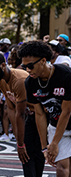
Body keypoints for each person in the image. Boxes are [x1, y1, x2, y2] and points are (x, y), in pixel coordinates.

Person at [0, 52, 45, 176]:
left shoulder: (19, 80)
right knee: (26, 153)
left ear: (2, 65)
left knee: (37, 152)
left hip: (42, 114)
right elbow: (11, 109)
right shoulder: (0, 80)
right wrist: (18, 139)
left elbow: (21, 113)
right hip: (29, 114)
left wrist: (20, 144)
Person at [18, 41, 71, 177]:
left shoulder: (65, 75)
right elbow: (40, 115)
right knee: (61, 167)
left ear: (43, 61)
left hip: (67, 119)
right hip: (56, 125)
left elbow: (66, 111)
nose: (28, 70)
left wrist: (54, 143)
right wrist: (44, 146)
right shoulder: (30, 82)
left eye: (30, 66)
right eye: (24, 66)